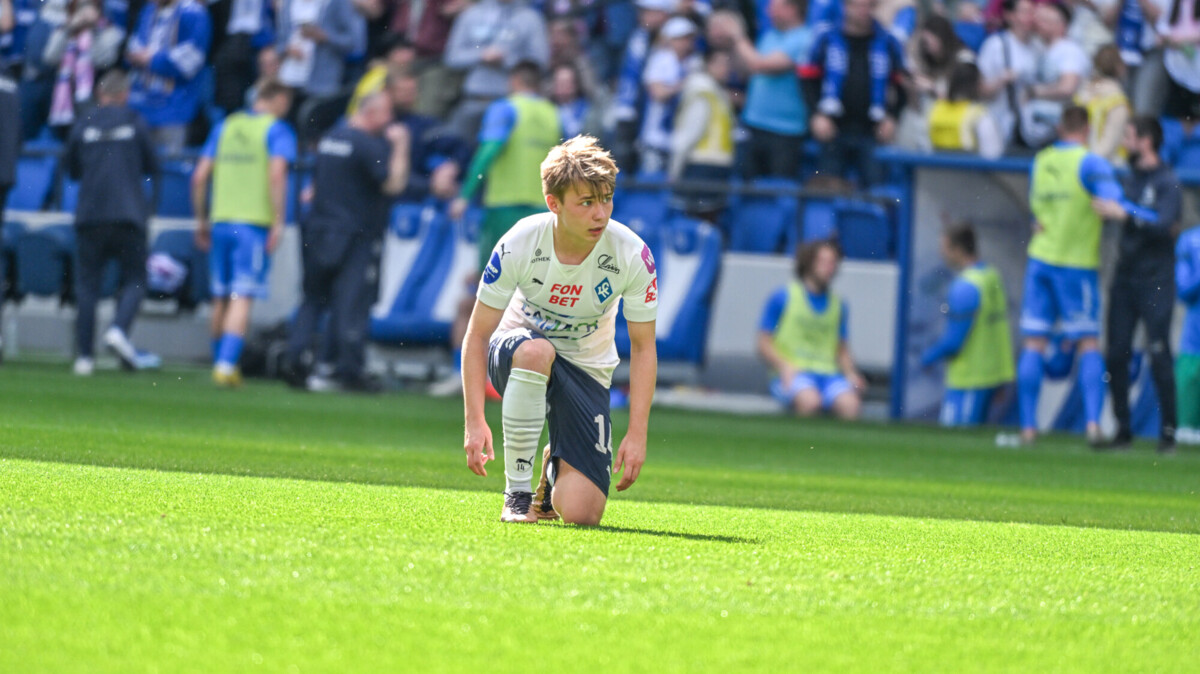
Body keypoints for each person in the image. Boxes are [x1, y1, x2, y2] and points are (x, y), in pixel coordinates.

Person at [461, 136, 658, 525]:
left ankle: (553, 470)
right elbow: (477, 335)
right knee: (537, 352)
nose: (600, 214)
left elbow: (643, 347)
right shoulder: (520, 240)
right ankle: (516, 494)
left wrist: (637, 434)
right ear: (555, 204)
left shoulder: (633, 255)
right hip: (518, 353)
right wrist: (473, 420)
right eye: (586, 203)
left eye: (606, 199)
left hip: (587, 368)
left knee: (582, 514)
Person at [1018, 105, 1150, 445]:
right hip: (1075, 264)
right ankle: (1093, 425)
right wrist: (1145, 215)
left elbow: (1036, 210)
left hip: (1040, 258)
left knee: (1034, 342)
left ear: (1062, 126)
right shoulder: (1090, 162)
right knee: (1087, 343)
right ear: (1088, 129)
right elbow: (1114, 202)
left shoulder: (1042, 160)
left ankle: (1028, 428)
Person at [284, 92, 410, 392]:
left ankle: (295, 359)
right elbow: (393, 184)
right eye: (386, 113)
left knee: (312, 299)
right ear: (372, 112)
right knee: (350, 303)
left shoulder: (329, 139)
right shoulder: (368, 144)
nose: (390, 121)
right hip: (354, 234)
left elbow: (312, 189)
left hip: (318, 230)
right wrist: (402, 145)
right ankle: (349, 371)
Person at [190, 80, 297, 388]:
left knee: (221, 296)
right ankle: (224, 366)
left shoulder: (225, 126)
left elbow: (199, 176)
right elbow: (277, 173)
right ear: (275, 99)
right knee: (242, 295)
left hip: (220, 220)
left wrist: (201, 219)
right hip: (251, 223)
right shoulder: (276, 130)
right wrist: (278, 221)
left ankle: (221, 361)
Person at [63, 70, 161, 376]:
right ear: (124, 95)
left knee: (87, 287)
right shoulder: (134, 122)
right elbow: (154, 166)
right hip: (128, 214)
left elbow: (70, 167)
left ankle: (85, 358)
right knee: (135, 279)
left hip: (90, 215)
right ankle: (118, 329)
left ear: (99, 94)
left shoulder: (85, 122)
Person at [1092, 116, 1181, 452]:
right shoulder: (1129, 179)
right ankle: (1122, 431)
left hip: (1156, 280)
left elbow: (1164, 225)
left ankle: (1168, 435)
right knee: (1116, 354)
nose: (1125, 142)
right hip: (1125, 278)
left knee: (1158, 354)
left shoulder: (1167, 181)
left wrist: (1125, 215)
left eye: (1129, 135)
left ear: (1146, 140)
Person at [449, 61, 561, 269]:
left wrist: (465, 195)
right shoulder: (553, 114)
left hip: (504, 208)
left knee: (494, 281)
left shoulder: (505, 108)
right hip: (542, 211)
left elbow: (487, 153)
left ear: (514, 81)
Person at [801, 0, 908, 187]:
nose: (863, 11)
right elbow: (807, 79)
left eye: (869, 6)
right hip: (833, 129)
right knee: (828, 188)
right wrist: (816, 114)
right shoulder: (826, 38)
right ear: (845, 7)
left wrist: (892, 117)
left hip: (872, 131)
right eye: (857, 5)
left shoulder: (888, 42)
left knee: (876, 190)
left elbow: (902, 85)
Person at [758, 239, 867, 420]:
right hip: (795, 371)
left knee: (851, 405)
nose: (829, 268)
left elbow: (841, 349)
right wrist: (784, 366)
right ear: (809, 263)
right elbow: (763, 342)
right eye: (823, 262)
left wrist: (851, 374)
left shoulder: (838, 305)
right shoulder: (784, 297)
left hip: (828, 373)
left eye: (833, 263)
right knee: (809, 401)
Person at [920, 224, 1014, 426]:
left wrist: (928, 357)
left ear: (958, 250)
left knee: (955, 443)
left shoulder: (964, 287)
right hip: (993, 374)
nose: (941, 253)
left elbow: (954, 341)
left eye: (944, 248)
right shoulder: (991, 276)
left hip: (970, 377)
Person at [708, 0, 812, 180]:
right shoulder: (770, 36)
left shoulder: (804, 38)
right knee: (748, 192)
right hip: (754, 125)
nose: (769, 11)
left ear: (792, 9)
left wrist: (738, 36)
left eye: (775, 7)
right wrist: (732, 45)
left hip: (785, 131)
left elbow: (760, 65)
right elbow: (745, 71)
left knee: (778, 191)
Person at [442, 0, 549, 141]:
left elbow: (540, 61)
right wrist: (481, 55)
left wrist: (506, 60)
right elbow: (451, 57)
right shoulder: (472, 14)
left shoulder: (530, 18)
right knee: (459, 152)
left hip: (511, 104)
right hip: (473, 99)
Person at [125, 0, 212, 155]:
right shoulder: (148, 10)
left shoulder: (194, 13)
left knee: (168, 171)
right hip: (140, 108)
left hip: (173, 111)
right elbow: (133, 48)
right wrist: (141, 57)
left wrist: (151, 59)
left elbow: (191, 59)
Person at [669, 48, 735, 219]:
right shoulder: (702, 93)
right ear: (707, 65)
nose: (725, 68)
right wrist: (675, 170)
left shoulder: (716, 93)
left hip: (715, 168)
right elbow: (688, 135)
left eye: (727, 64)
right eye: (720, 63)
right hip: (700, 167)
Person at [41, 0, 124, 132]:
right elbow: (50, 57)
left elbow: (101, 60)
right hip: (66, 99)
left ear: (98, 10)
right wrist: (69, 29)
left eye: (89, 7)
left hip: (94, 98)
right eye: (80, 7)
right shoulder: (64, 30)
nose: (84, 13)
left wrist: (94, 30)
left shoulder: (109, 31)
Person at [1021, 1, 1089, 149]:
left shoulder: (1069, 50)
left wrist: (1034, 92)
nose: (1039, 24)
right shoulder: (1040, 49)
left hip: (1061, 128)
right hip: (1041, 127)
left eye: (1045, 21)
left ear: (1061, 26)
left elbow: (1067, 88)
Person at [637, 15, 698, 175]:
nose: (687, 43)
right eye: (681, 38)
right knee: (651, 180)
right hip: (656, 136)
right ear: (670, 40)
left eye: (689, 38)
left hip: (678, 137)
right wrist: (684, 85)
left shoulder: (693, 63)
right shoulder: (660, 60)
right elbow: (658, 93)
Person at [977, 0, 1040, 150]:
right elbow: (980, 89)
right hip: (998, 126)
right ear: (1009, 16)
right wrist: (1001, 80)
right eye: (1025, 12)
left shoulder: (1038, 47)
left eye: (1033, 12)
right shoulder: (995, 45)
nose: (1031, 17)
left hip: (1031, 130)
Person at [928, 61, 1004, 158]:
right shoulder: (980, 116)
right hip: (970, 172)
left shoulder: (935, 110)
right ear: (978, 85)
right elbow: (993, 156)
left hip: (935, 171)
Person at [1075, 44, 1131, 163]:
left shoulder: (1080, 95)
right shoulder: (1117, 101)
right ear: (1119, 68)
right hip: (1105, 167)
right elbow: (1108, 143)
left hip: (1079, 160)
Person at [1174, 223, 1200, 445]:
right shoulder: (1191, 239)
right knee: (1191, 372)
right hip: (1195, 326)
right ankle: (1188, 425)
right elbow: (1183, 290)